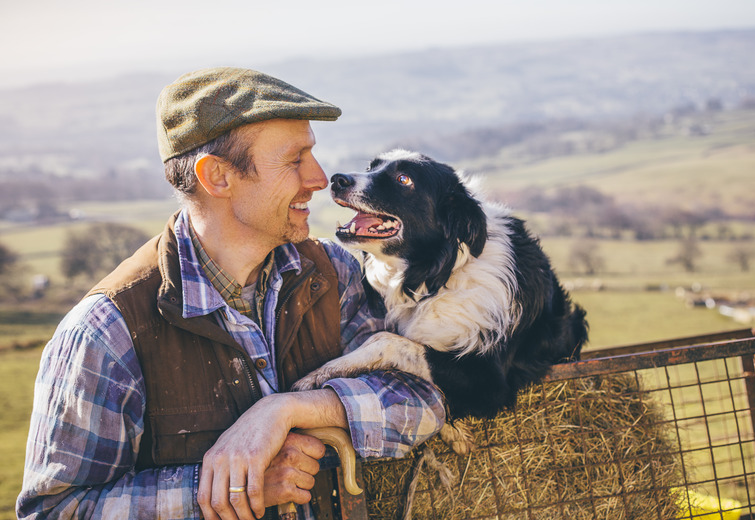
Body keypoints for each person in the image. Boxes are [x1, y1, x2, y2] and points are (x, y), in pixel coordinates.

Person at [17, 67, 446, 520]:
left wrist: (291, 410)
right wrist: (234, 487)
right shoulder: (106, 333)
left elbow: (425, 398)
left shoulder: (333, 274)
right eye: (294, 160)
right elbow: (56, 510)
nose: (319, 179)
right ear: (218, 176)